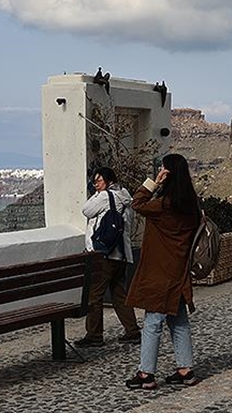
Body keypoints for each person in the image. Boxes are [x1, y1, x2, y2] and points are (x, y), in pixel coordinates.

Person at [125, 153, 202, 389]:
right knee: (178, 321)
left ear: (167, 174)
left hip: (160, 272)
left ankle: (146, 373)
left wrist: (154, 183)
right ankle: (185, 369)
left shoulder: (164, 205)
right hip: (178, 270)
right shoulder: (191, 205)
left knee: (152, 321)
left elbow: (136, 203)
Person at [75, 167, 141, 347]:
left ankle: (94, 335)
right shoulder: (125, 197)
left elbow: (86, 210)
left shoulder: (105, 197)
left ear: (108, 180)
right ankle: (132, 330)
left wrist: (98, 194)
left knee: (94, 295)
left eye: (98, 180)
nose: (96, 184)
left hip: (104, 254)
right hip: (122, 254)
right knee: (119, 294)